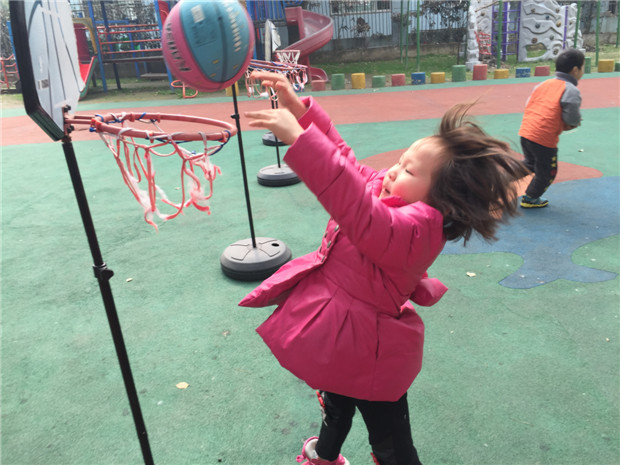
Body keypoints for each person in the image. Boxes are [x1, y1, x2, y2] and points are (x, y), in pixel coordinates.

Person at [240, 71, 529, 465]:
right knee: (335, 398)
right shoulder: (388, 193)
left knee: (389, 436)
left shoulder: (415, 231)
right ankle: (324, 455)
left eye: (410, 171)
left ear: (442, 199)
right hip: (341, 338)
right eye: (400, 160)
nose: (393, 170)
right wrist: (299, 110)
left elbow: (356, 208)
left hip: (369, 351)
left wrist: (301, 143)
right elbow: (345, 162)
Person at [518, 48, 585, 208]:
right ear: (575, 70)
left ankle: (499, 179)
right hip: (543, 138)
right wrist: (574, 122)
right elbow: (571, 116)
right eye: (583, 67)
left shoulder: (544, 84)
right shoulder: (571, 90)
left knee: (530, 163)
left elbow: (530, 104)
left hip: (526, 131)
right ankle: (530, 198)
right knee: (547, 171)